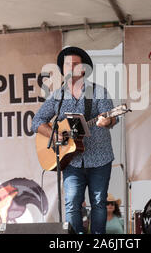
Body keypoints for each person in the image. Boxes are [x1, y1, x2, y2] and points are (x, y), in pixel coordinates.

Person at [32, 46, 118, 234]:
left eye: (76, 64)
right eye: (67, 65)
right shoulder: (57, 96)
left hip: (100, 158)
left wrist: (108, 120)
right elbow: (36, 122)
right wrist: (55, 135)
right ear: (62, 69)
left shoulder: (99, 92)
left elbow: (113, 118)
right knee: (71, 203)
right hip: (70, 160)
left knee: (98, 203)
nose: (71, 68)